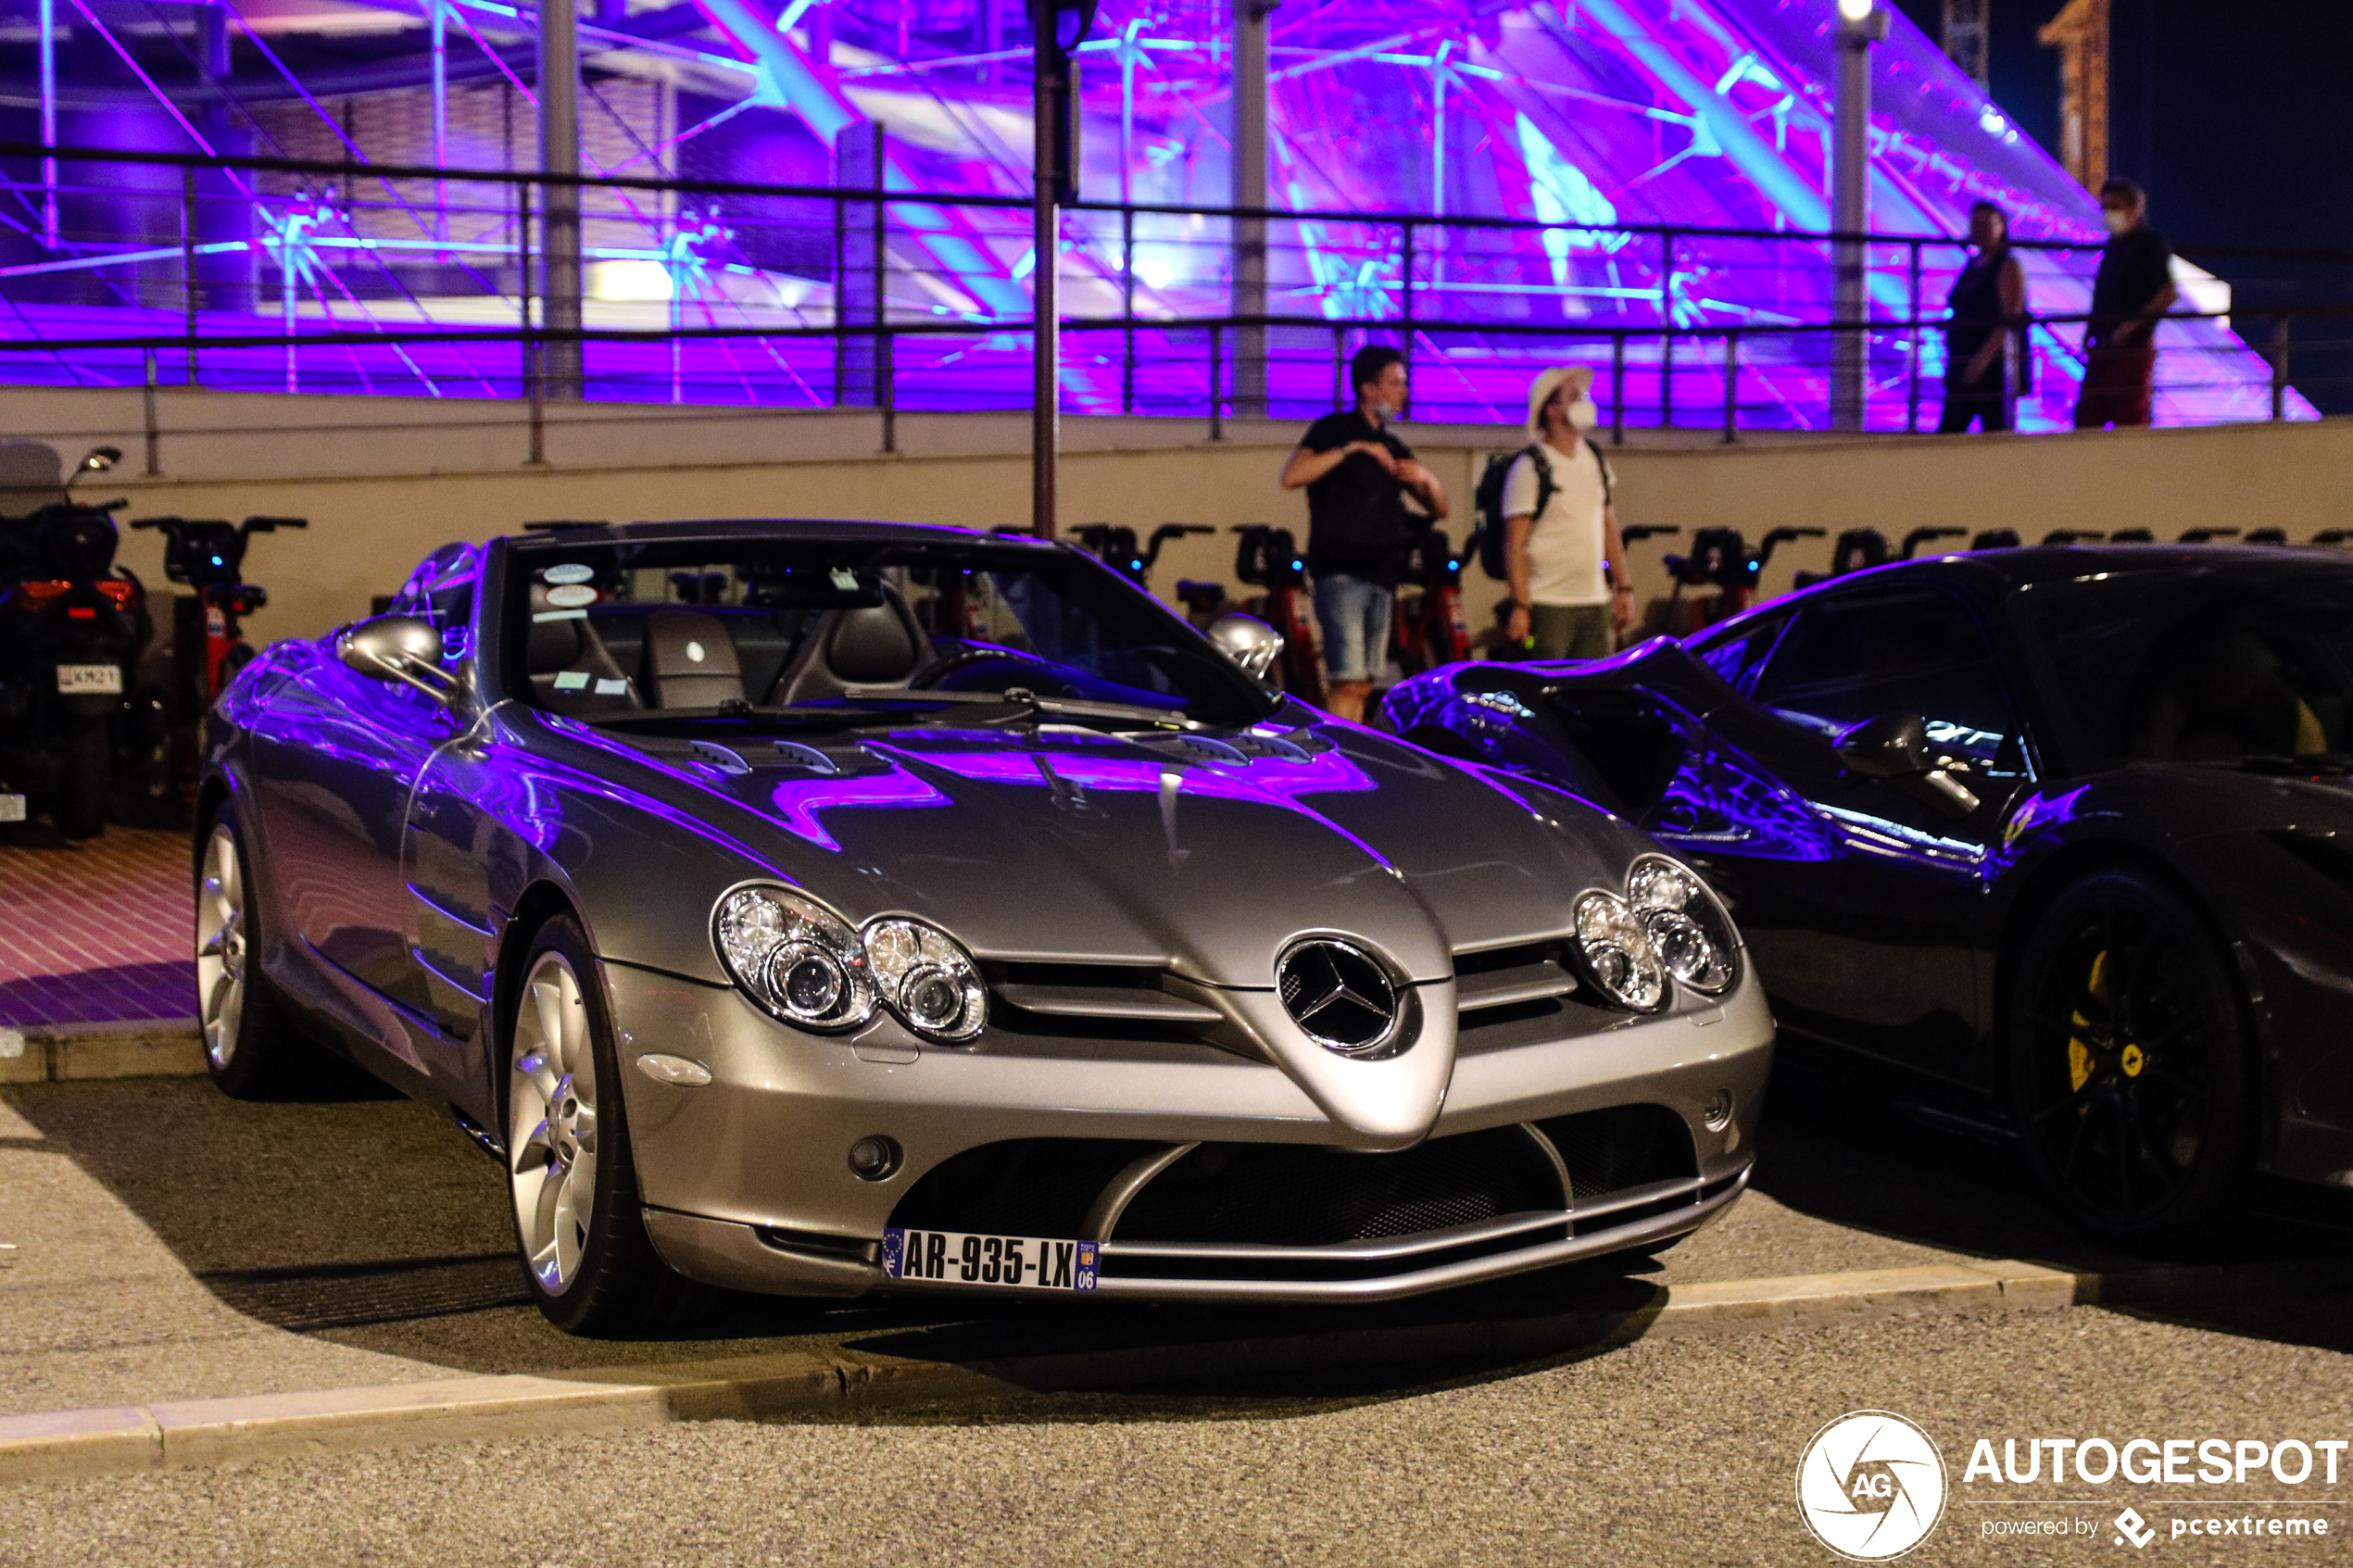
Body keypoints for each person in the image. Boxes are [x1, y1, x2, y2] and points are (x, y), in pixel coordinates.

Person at [1279, 345, 1448, 721]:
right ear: (1369, 389)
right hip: (1341, 574)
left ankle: (1351, 755)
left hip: (1382, 575)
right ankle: (1337, 762)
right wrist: (1354, 448)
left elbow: (1440, 508)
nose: (1404, 391)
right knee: (1347, 679)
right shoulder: (1333, 430)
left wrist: (1428, 479)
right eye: (1396, 382)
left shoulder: (1392, 446)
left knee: (1366, 680)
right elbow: (1292, 476)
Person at [1499, 365, 1631, 660]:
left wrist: (1624, 587)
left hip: (1595, 602)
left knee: (1594, 692)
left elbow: (1609, 527)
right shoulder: (1530, 467)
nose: (1585, 403)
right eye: (1574, 396)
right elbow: (1515, 545)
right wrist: (1521, 606)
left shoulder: (1595, 459)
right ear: (1552, 409)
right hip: (1547, 605)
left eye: (1584, 395)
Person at [2074, 178, 2176, 430]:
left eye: (2115, 207)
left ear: (2135, 209)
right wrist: (2091, 330)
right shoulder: (2114, 245)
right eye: (2106, 207)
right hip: (2105, 344)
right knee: (2089, 415)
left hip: (2132, 347)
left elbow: (2167, 292)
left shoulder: (2150, 245)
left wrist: (2130, 327)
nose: (2109, 214)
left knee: (2127, 415)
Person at [1938, 200, 2029, 433]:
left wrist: (1982, 359)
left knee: (1985, 429)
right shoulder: (1975, 263)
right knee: (1959, 429)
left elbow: (2010, 318)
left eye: (1987, 224)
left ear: (2002, 227)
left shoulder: (2007, 265)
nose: (1980, 230)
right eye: (1975, 223)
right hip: (1965, 359)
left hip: (1990, 368)